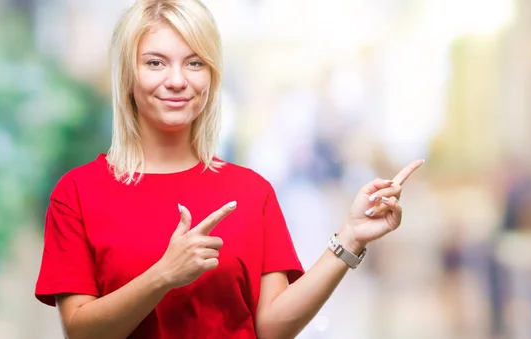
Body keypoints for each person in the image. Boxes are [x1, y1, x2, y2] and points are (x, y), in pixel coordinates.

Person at [34, 0, 424, 338]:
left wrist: (351, 238)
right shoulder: (79, 193)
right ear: (127, 77)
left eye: (194, 63)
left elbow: (271, 328)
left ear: (212, 77)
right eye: (155, 63)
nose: (176, 80)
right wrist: (163, 275)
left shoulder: (251, 192)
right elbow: (80, 331)